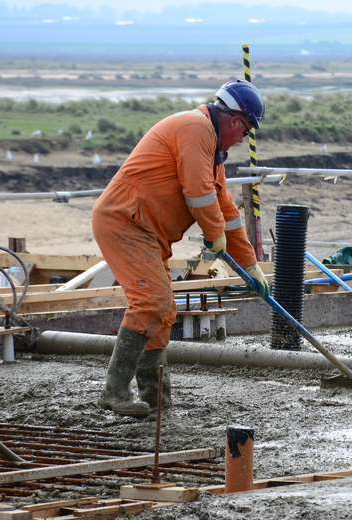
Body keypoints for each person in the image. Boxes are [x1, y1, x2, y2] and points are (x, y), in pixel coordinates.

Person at [92, 80, 271, 417]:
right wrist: (213, 232)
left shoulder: (212, 153)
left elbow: (228, 212)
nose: (242, 139)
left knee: (164, 311)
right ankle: (114, 392)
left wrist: (249, 265)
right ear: (235, 121)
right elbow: (198, 192)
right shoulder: (195, 128)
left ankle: (157, 400)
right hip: (125, 222)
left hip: (148, 232)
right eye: (246, 132)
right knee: (151, 303)